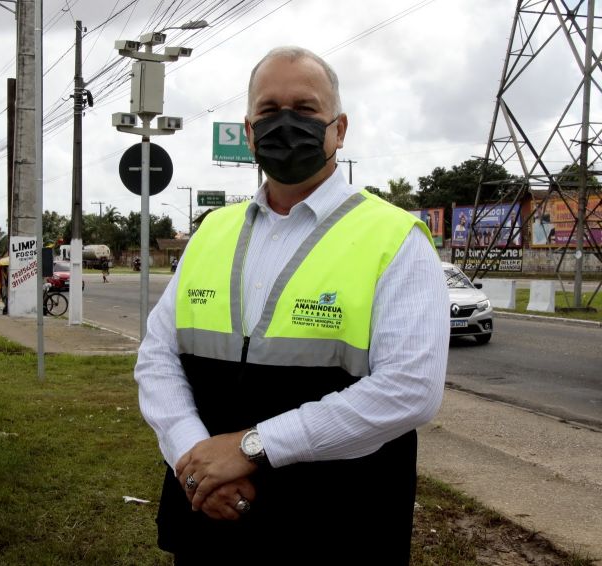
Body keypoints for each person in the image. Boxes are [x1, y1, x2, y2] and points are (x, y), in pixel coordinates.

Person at [134, 46, 450, 565]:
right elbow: (157, 357)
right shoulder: (212, 231)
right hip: (209, 520)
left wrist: (249, 448)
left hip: (335, 528)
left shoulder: (394, 237)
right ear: (249, 130)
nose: (286, 123)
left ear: (339, 128)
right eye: (269, 110)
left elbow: (410, 388)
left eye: (305, 109)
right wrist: (196, 462)